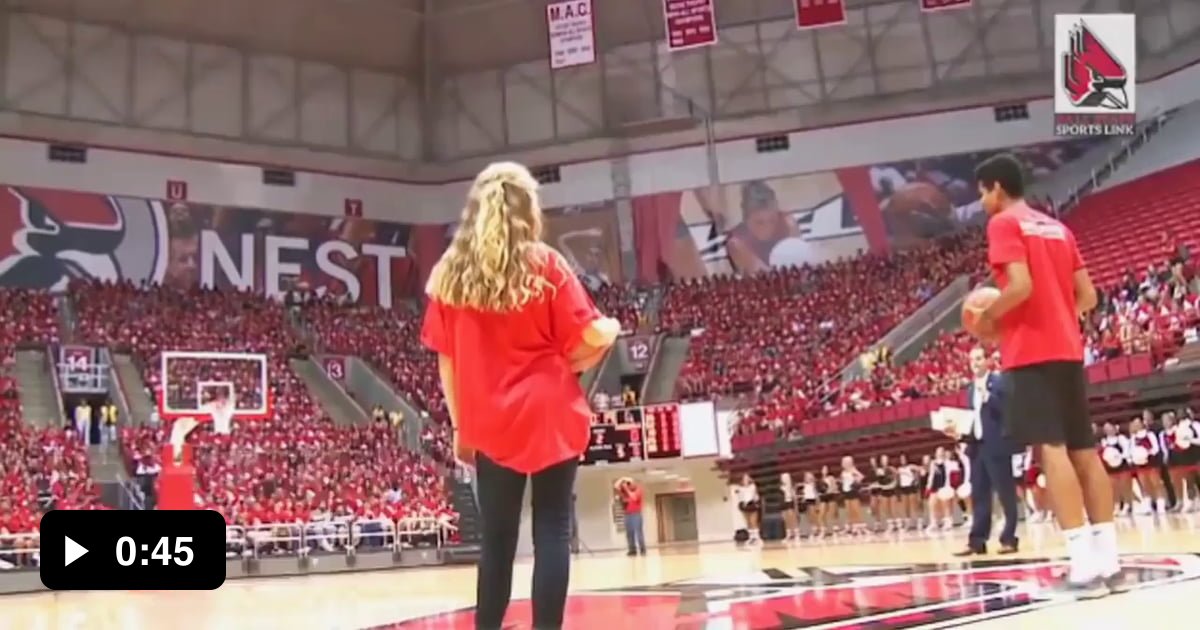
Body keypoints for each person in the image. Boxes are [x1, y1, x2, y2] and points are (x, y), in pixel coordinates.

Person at [420, 161, 621, 630]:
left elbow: (446, 361)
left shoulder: (450, 274)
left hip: (490, 419)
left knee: (497, 540)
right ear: (529, 209)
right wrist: (608, 329)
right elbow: (587, 337)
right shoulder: (545, 263)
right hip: (550, 409)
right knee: (551, 529)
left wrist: (459, 426)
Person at [967, 154, 1122, 597]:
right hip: (1069, 350)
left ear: (996, 187)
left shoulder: (1003, 224)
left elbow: (1019, 286)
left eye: (981, 192)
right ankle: (1108, 562)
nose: (981, 202)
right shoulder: (1058, 227)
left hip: (1030, 354)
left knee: (1051, 451)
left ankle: (1082, 568)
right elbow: (1088, 296)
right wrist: (1057, 318)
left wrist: (986, 317)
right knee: (1083, 451)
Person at [953, 347, 1020, 556]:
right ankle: (977, 541)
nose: (975, 362)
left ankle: (1009, 538)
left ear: (987, 361)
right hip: (977, 448)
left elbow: (1009, 410)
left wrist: (988, 397)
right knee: (980, 495)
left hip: (997, 445)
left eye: (979, 358)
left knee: (1005, 493)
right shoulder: (970, 389)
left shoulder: (999, 382)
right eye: (972, 359)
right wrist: (959, 433)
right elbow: (974, 420)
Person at [614, 477, 646, 556]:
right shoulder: (625, 492)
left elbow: (634, 498)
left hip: (636, 514)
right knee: (629, 533)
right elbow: (615, 487)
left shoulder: (638, 490)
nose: (628, 485)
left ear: (634, 483)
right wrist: (622, 479)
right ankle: (632, 550)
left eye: (630, 483)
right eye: (628, 484)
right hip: (627, 515)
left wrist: (627, 488)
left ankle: (642, 549)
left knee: (638, 532)